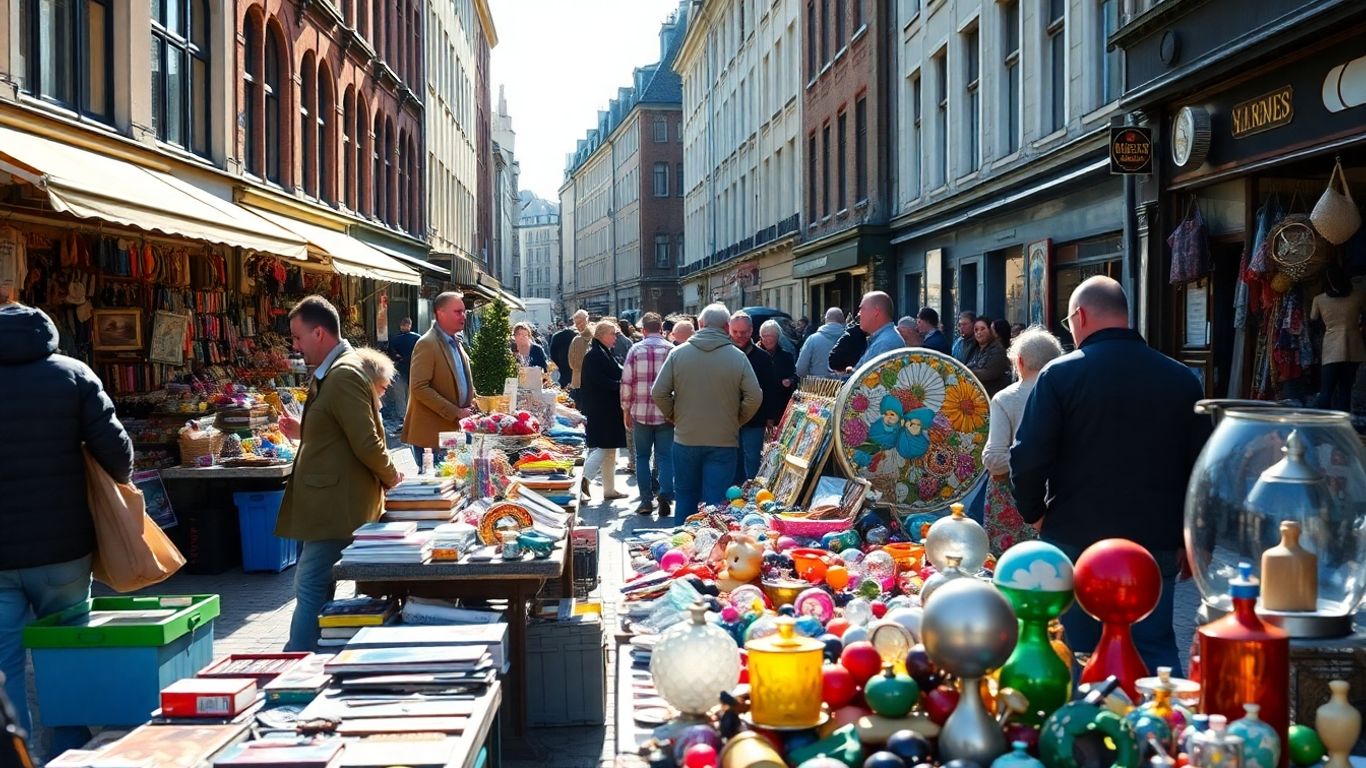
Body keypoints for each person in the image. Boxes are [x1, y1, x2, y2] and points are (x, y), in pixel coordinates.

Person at [1011, 276, 1208, 675]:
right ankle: (1162, 715)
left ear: (1079, 316)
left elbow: (1028, 457)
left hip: (1075, 537)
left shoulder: (1059, 375)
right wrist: (1195, 540)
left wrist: (1034, 513)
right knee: (1154, 650)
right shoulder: (1182, 379)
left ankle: (1084, 715)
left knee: (1078, 653)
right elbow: (1202, 469)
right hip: (1156, 541)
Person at [0, 299, 133, 750]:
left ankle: (18, 753)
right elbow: (117, 452)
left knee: (5, 663)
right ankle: (68, 748)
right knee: (64, 651)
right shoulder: (73, 375)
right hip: (63, 549)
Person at [278, 296, 401, 652]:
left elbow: (367, 441)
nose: (296, 346)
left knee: (310, 586)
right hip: (330, 503)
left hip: (336, 506)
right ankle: (308, 656)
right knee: (314, 586)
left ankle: (298, 660)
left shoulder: (343, 374)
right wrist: (304, 430)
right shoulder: (336, 371)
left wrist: (393, 477)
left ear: (319, 333)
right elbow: (339, 430)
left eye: (298, 337)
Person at [652, 303, 762, 521]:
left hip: (686, 438)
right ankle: (711, 540)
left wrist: (675, 416)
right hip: (724, 440)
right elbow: (754, 396)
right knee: (716, 502)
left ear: (700, 324)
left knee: (685, 497)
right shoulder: (738, 357)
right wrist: (736, 420)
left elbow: (659, 392)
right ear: (727, 326)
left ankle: (681, 539)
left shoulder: (678, 354)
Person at [981, 326, 1063, 556]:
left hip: (1015, 504)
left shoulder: (1006, 398)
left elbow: (994, 460)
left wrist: (1027, 456)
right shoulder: (1068, 393)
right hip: (1059, 499)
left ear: (1019, 362)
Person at [401, 292, 476, 472]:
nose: (463, 316)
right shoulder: (427, 343)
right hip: (432, 437)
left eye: (464, 312)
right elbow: (419, 387)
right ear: (441, 313)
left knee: (458, 482)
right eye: (457, 312)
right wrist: (456, 412)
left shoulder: (455, 342)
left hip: (453, 433)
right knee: (437, 485)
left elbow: (459, 382)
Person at [621, 312, 676, 517]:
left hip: (640, 411)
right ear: (661, 328)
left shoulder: (635, 350)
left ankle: (645, 501)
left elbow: (626, 382)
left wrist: (626, 409)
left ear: (643, 330)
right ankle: (665, 495)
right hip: (666, 413)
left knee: (642, 457)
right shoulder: (671, 350)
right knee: (665, 456)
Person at [579, 320, 629, 504]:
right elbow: (600, 380)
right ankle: (584, 478)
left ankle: (609, 489)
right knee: (605, 447)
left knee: (610, 449)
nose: (615, 337)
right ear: (601, 335)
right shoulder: (594, 355)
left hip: (606, 408)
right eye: (612, 333)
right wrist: (621, 385)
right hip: (602, 409)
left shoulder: (603, 352)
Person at [730, 311, 780, 485]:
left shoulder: (762, 357)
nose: (739, 336)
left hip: (755, 418)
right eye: (735, 332)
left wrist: (770, 417)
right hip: (728, 417)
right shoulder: (723, 354)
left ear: (751, 331)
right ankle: (731, 494)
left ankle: (750, 493)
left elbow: (770, 388)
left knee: (752, 459)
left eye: (743, 332)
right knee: (731, 459)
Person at [1311, 266, 1364, 411]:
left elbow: (1313, 318)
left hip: (1332, 347)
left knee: (1326, 391)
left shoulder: (1319, 299)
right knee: (1346, 390)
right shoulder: (1358, 296)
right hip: (1353, 347)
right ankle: (1342, 423)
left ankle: (1322, 422)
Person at [852, 291, 906, 370]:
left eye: (861, 309)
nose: (858, 314)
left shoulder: (884, 343)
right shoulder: (885, 338)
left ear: (876, 311)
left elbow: (866, 377)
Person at [759, 319, 798, 419]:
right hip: (760, 409)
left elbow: (795, 376)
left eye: (770, 336)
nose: (767, 339)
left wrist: (790, 380)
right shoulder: (755, 355)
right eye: (764, 336)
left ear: (777, 337)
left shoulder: (786, 356)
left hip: (780, 408)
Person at [386, 317, 420, 430]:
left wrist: (399, 357)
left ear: (401, 325)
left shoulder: (394, 339)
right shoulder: (417, 338)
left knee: (400, 396)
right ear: (410, 325)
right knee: (412, 395)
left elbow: (392, 355)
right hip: (414, 370)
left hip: (400, 369)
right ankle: (413, 418)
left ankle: (403, 419)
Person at [966, 316, 1010, 397]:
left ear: (991, 331)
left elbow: (990, 373)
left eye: (982, 329)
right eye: (976, 330)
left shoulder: (998, 350)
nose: (979, 332)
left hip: (991, 396)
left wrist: (967, 372)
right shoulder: (973, 349)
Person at [796, 307, 846, 379]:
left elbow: (800, 369)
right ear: (843, 321)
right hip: (843, 384)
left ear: (826, 319)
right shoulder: (850, 340)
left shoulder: (813, 339)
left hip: (817, 384)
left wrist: (812, 379)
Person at [567, 309, 593, 394]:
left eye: (579, 323)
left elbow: (571, 362)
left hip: (578, 380)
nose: (578, 326)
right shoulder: (596, 336)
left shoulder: (576, 340)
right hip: (594, 379)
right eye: (576, 324)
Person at [549, 318, 578, 387]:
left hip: (563, 367)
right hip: (576, 367)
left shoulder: (556, 336)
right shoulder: (576, 335)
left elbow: (552, 355)